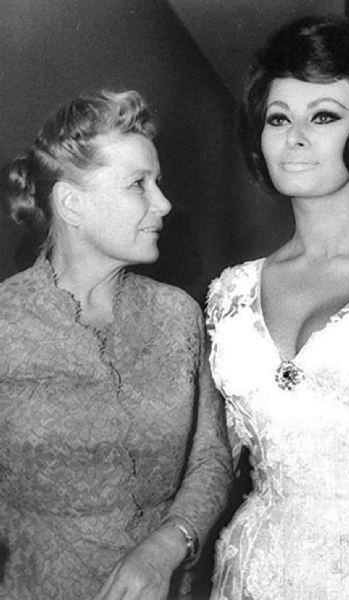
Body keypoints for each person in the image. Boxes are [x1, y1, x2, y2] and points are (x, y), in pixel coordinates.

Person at [206, 15, 349, 599]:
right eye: (278, 118)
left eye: (324, 116)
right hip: (255, 572)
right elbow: (213, 459)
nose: (295, 137)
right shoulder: (230, 292)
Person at [0, 89, 232, 600]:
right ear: (72, 204)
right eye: (138, 184)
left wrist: (166, 546)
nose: (163, 203)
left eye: (158, 183)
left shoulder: (178, 315)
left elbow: (211, 458)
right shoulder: (5, 322)